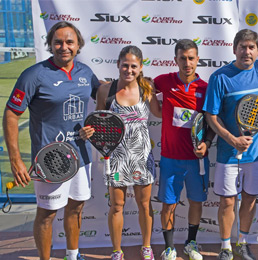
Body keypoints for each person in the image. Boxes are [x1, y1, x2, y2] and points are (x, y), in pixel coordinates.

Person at [3, 21, 99, 260]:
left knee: (76, 207)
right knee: (46, 214)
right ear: (50, 45)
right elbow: (11, 114)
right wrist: (16, 159)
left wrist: (95, 126)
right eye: (58, 42)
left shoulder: (85, 72)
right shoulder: (34, 75)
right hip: (49, 160)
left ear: (78, 46)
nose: (63, 47)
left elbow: (103, 97)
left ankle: (72, 254)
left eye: (69, 42)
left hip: (81, 156)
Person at [203, 29, 258, 260]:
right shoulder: (220, 77)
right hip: (229, 154)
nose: (246, 52)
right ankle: (226, 246)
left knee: (249, 199)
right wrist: (232, 139)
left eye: (251, 47)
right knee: (227, 201)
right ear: (234, 48)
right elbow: (211, 116)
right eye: (242, 47)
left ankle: (243, 242)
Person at [82, 45, 161, 260]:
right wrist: (89, 131)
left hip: (141, 157)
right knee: (117, 206)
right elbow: (98, 121)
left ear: (141, 67)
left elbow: (160, 113)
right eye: (125, 65)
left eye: (133, 66)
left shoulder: (147, 89)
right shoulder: (106, 90)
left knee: (145, 205)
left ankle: (146, 247)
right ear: (117, 64)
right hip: (116, 159)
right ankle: (117, 251)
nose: (129, 70)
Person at [153, 39, 215, 260]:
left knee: (196, 202)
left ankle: (191, 244)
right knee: (168, 204)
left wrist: (207, 143)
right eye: (182, 58)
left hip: (196, 160)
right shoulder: (163, 81)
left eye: (191, 58)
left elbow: (212, 123)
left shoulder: (206, 89)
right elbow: (139, 87)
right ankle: (169, 247)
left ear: (197, 59)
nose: (187, 62)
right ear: (175, 59)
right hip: (170, 158)